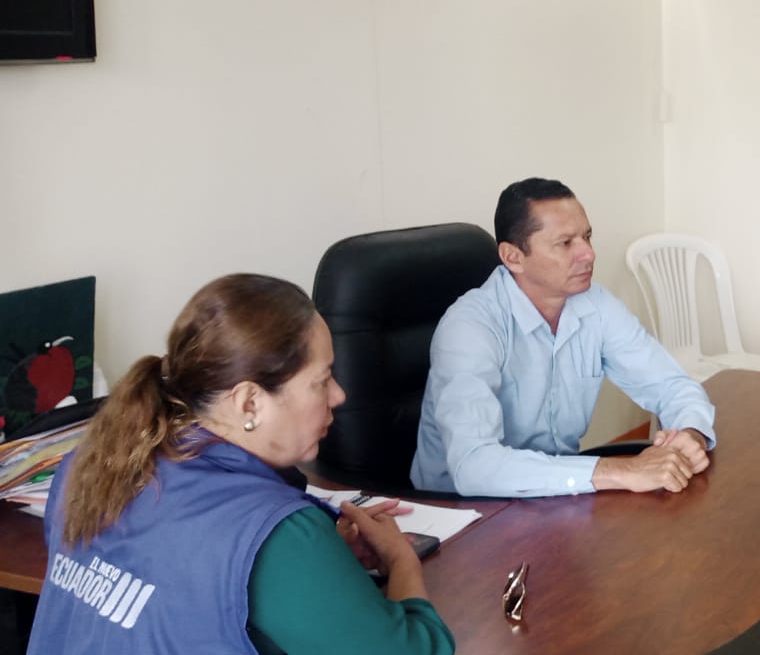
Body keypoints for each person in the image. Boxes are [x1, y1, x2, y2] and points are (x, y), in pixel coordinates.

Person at [29, 274, 453, 654]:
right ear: (250, 402)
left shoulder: (88, 465)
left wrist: (317, 563)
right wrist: (401, 560)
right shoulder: (277, 534)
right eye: (322, 381)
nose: (338, 396)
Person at [411, 177, 716, 497]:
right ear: (513, 257)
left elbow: (670, 385)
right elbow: (474, 466)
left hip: (553, 496)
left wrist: (690, 433)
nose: (589, 254)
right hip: (463, 509)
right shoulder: (469, 327)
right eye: (566, 243)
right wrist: (622, 471)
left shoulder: (595, 305)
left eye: (587, 236)